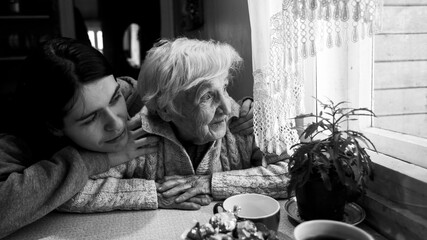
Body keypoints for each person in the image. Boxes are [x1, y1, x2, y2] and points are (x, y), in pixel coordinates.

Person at [0, 37, 253, 238]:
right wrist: (95, 161)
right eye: (90, 119)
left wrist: (246, 110)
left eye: (114, 98)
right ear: (55, 127)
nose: (117, 122)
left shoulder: (134, 96)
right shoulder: (16, 141)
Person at [57, 37, 289, 214]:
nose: (227, 108)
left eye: (225, 88)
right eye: (207, 96)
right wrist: (152, 194)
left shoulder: (244, 122)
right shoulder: (137, 133)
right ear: (167, 109)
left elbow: (294, 174)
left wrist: (210, 183)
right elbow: (68, 193)